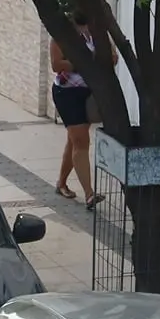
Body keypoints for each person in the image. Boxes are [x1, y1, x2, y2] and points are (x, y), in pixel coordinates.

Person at [50, 33, 107, 208]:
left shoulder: (96, 34)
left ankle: (61, 183)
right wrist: (83, 64)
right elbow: (56, 64)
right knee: (81, 142)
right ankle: (89, 194)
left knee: (74, 140)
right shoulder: (62, 34)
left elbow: (112, 57)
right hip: (67, 93)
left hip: (88, 93)